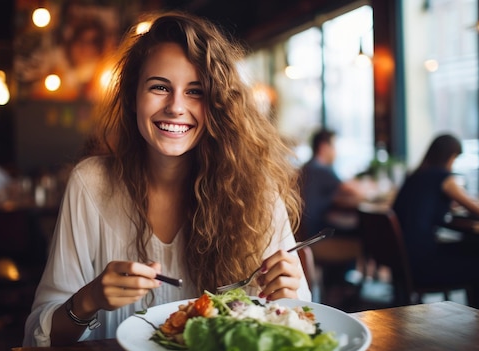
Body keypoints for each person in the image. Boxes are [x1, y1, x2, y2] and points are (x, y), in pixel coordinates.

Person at [23, 11, 310, 346]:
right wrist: (89, 299)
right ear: (132, 98)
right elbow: (38, 338)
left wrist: (286, 295)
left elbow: (300, 319)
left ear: (218, 105)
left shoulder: (254, 190)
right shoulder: (90, 184)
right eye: (159, 87)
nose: (175, 107)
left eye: (195, 91)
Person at [392, 133, 479, 315]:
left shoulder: (415, 176)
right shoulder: (443, 177)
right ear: (450, 156)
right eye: (455, 158)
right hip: (424, 266)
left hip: (405, 263)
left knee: (477, 252)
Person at [299, 129, 368, 238]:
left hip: (307, 230)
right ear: (324, 147)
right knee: (363, 229)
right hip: (318, 231)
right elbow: (353, 190)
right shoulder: (320, 169)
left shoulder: (306, 167)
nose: (336, 152)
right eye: (334, 147)